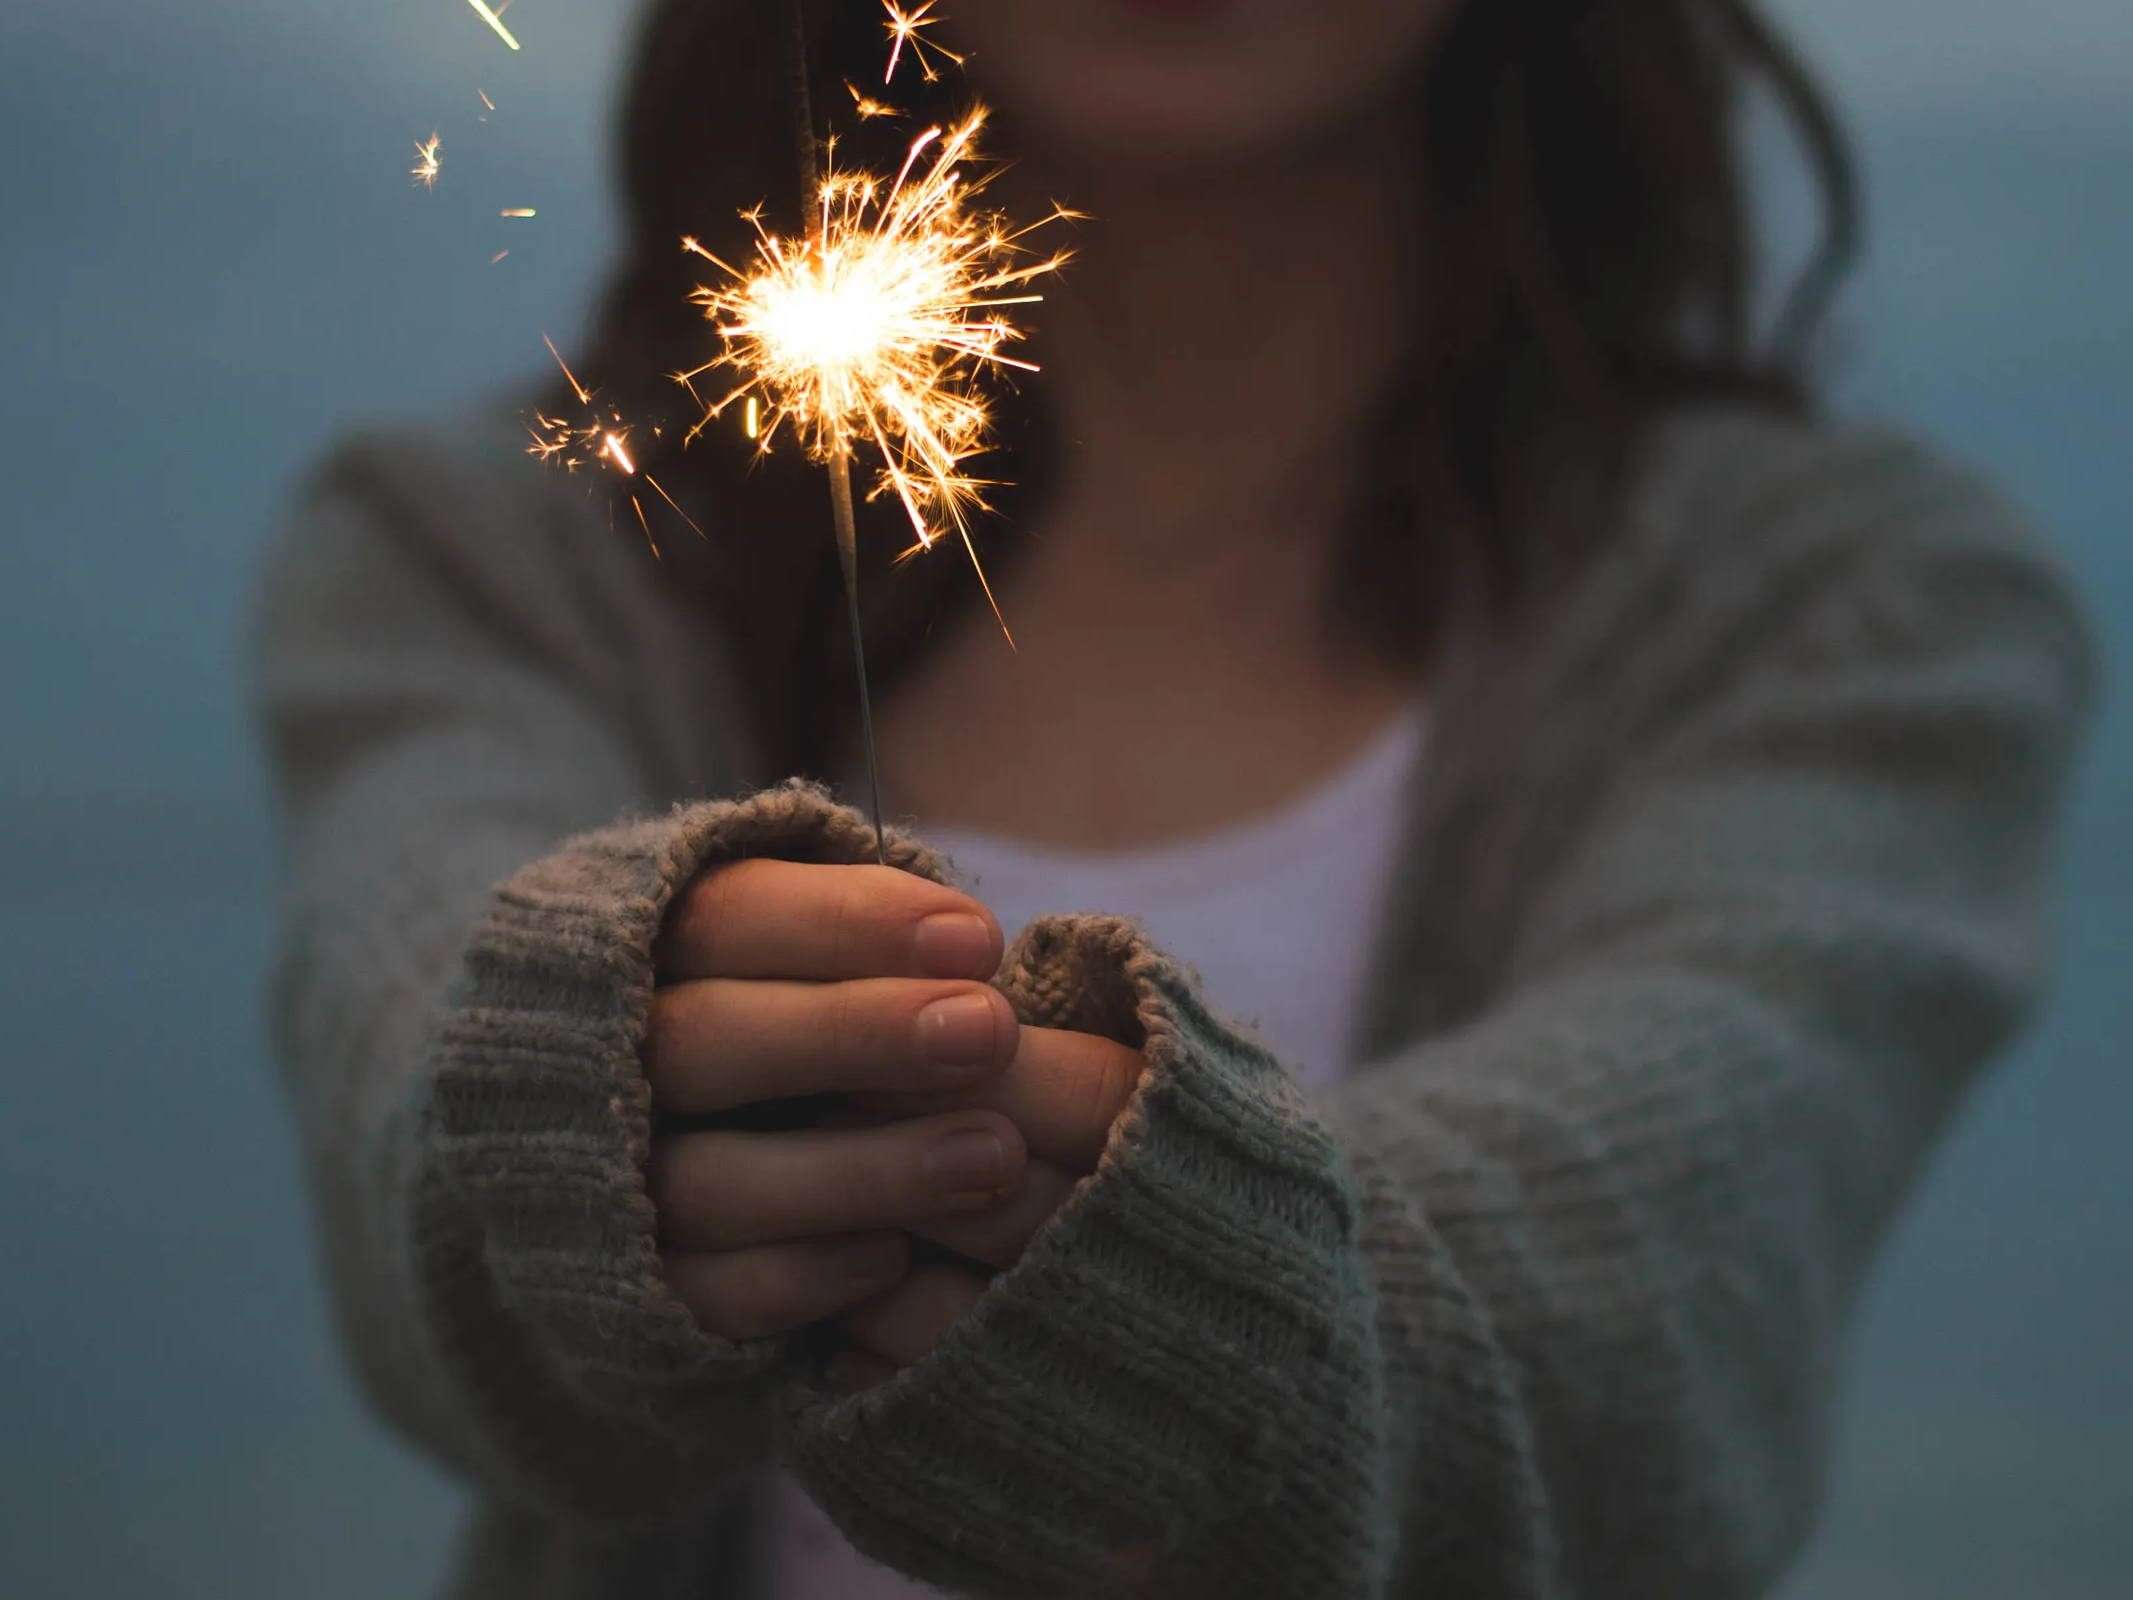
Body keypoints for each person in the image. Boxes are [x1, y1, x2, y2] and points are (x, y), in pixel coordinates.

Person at [252, 1, 2101, 1596]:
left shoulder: (1841, 609)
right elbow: (416, 1066)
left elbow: (1678, 1253)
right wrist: (588, 1088)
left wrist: (1193, 1280)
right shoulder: (505, 550)